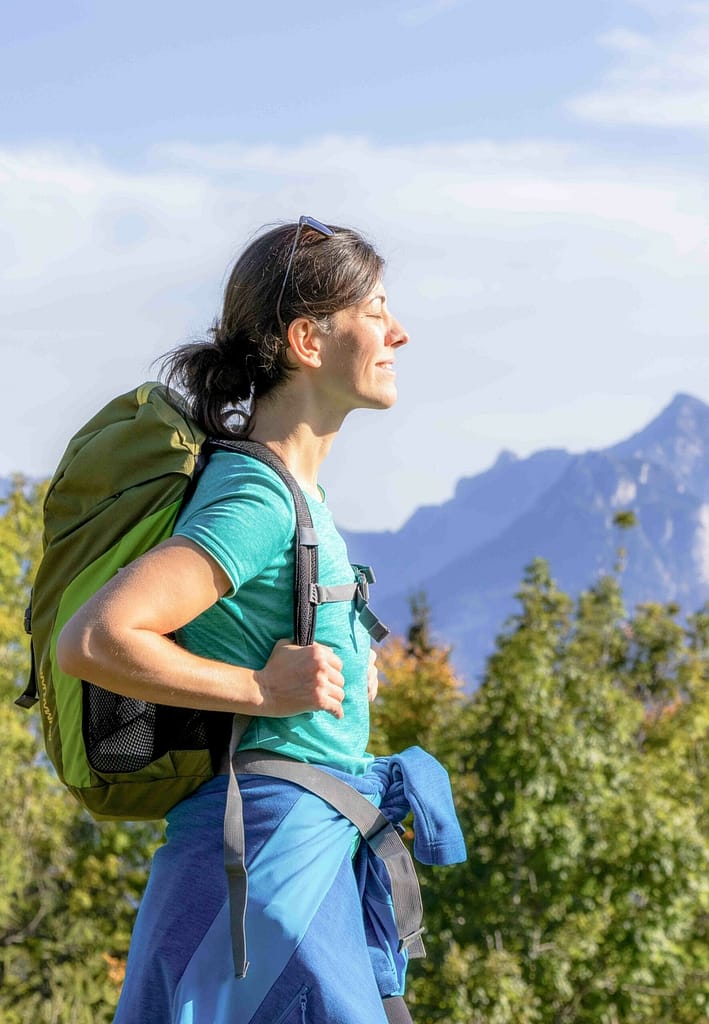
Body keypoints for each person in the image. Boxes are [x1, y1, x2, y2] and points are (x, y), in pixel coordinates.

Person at [57, 218, 464, 1023]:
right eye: (376, 311)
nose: (400, 332)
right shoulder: (256, 497)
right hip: (261, 867)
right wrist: (262, 689)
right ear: (309, 339)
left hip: (289, 856)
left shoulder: (294, 495)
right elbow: (98, 637)